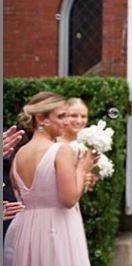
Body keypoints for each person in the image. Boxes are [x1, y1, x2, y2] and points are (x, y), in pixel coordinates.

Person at [4, 92, 96, 266]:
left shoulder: (19, 154)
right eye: (61, 116)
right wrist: (82, 169)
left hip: (24, 232)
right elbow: (69, 199)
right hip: (56, 230)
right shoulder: (61, 150)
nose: (67, 122)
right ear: (41, 119)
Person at [60, 98, 97, 190]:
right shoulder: (55, 143)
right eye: (73, 116)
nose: (79, 121)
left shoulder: (87, 145)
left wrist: (88, 180)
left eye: (83, 116)